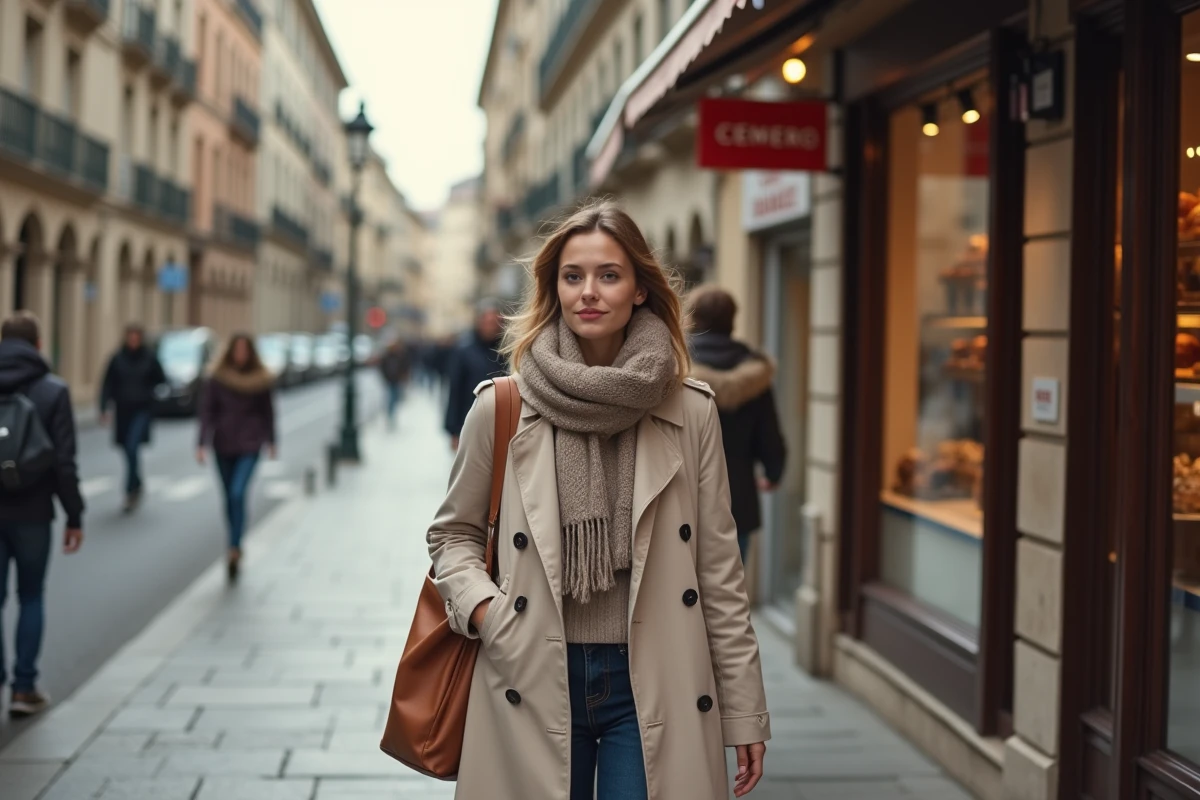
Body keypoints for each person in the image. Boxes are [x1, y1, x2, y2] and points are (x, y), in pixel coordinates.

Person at [427, 202, 770, 800]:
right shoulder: (503, 406)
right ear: (554, 288)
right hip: (529, 666)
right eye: (573, 275)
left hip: (650, 678)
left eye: (609, 275)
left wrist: (744, 711)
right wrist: (490, 614)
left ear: (640, 289)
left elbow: (718, 568)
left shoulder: (691, 412)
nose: (589, 291)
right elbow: (452, 535)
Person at [0, 312, 84, 718]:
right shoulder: (53, 391)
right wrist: (74, 515)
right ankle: (23, 687)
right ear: (37, 345)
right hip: (33, 511)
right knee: (30, 596)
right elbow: (64, 463)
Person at [687, 286, 787, 565]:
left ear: (693, 319)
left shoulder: (673, 363)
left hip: (682, 496)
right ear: (732, 320)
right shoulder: (754, 372)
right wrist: (773, 473)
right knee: (729, 594)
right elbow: (769, 434)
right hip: (737, 498)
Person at [196, 334, 277, 582]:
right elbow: (207, 411)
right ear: (230, 352)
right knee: (229, 497)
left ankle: (234, 546)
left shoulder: (261, 380)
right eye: (237, 350)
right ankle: (235, 540)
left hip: (250, 443)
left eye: (245, 350)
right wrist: (201, 443)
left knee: (237, 493)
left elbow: (268, 413)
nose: (240, 354)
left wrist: (272, 441)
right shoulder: (217, 379)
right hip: (223, 443)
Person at [100, 324, 166, 512]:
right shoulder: (117, 358)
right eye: (131, 336)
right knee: (128, 450)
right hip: (122, 411)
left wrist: (151, 396)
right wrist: (104, 407)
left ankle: (130, 491)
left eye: (136, 337)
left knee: (132, 446)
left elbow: (161, 380)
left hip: (142, 410)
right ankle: (137, 483)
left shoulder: (150, 357)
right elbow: (107, 384)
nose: (133, 340)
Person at [443, 300, 504, 450]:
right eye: (487, 321)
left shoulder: (507, 350)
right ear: (479, 322)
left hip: (501, 422)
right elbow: (455, 390)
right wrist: (454, 431)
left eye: (494, 321)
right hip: (470, 421)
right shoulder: (464, 351)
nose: (490, 325)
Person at [377, 339, 411, 429]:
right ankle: (390, 414)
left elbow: (405, 366)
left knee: (395, 398)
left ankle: (391, 413)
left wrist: (404, 376)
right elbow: (382, 367)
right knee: (392, 397)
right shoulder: (387, 356)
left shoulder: (400, 355)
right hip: (390, 380)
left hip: (397, 380)